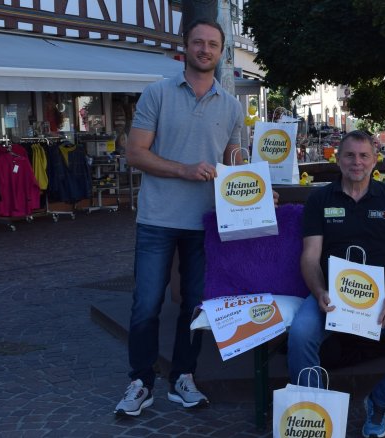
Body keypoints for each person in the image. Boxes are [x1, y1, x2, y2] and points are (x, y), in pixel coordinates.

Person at [115, 19, 249, 417]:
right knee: (146, 304)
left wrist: (256, 188)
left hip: (206, 222)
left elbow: (234, 161)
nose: (205, 50)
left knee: (195, 306)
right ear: (185, 47)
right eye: (198, 43)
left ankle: (183, 377)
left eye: (212, 44)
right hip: (158, 218)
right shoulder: (157, 93)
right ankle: (140, 381)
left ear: (222, 52)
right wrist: (185, 169)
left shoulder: (232, 105)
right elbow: (135, 154)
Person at [289, 130, 385, 438]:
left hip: (383, 296)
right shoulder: (320, 199)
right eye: (350, 155)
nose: (357, 162)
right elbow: (310, 257)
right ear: (338, 159)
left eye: (364, 156)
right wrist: (318, 292)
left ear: (375, 160)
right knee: (301, 334)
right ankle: (313, 415)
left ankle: (379, 403)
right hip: (331, 293)